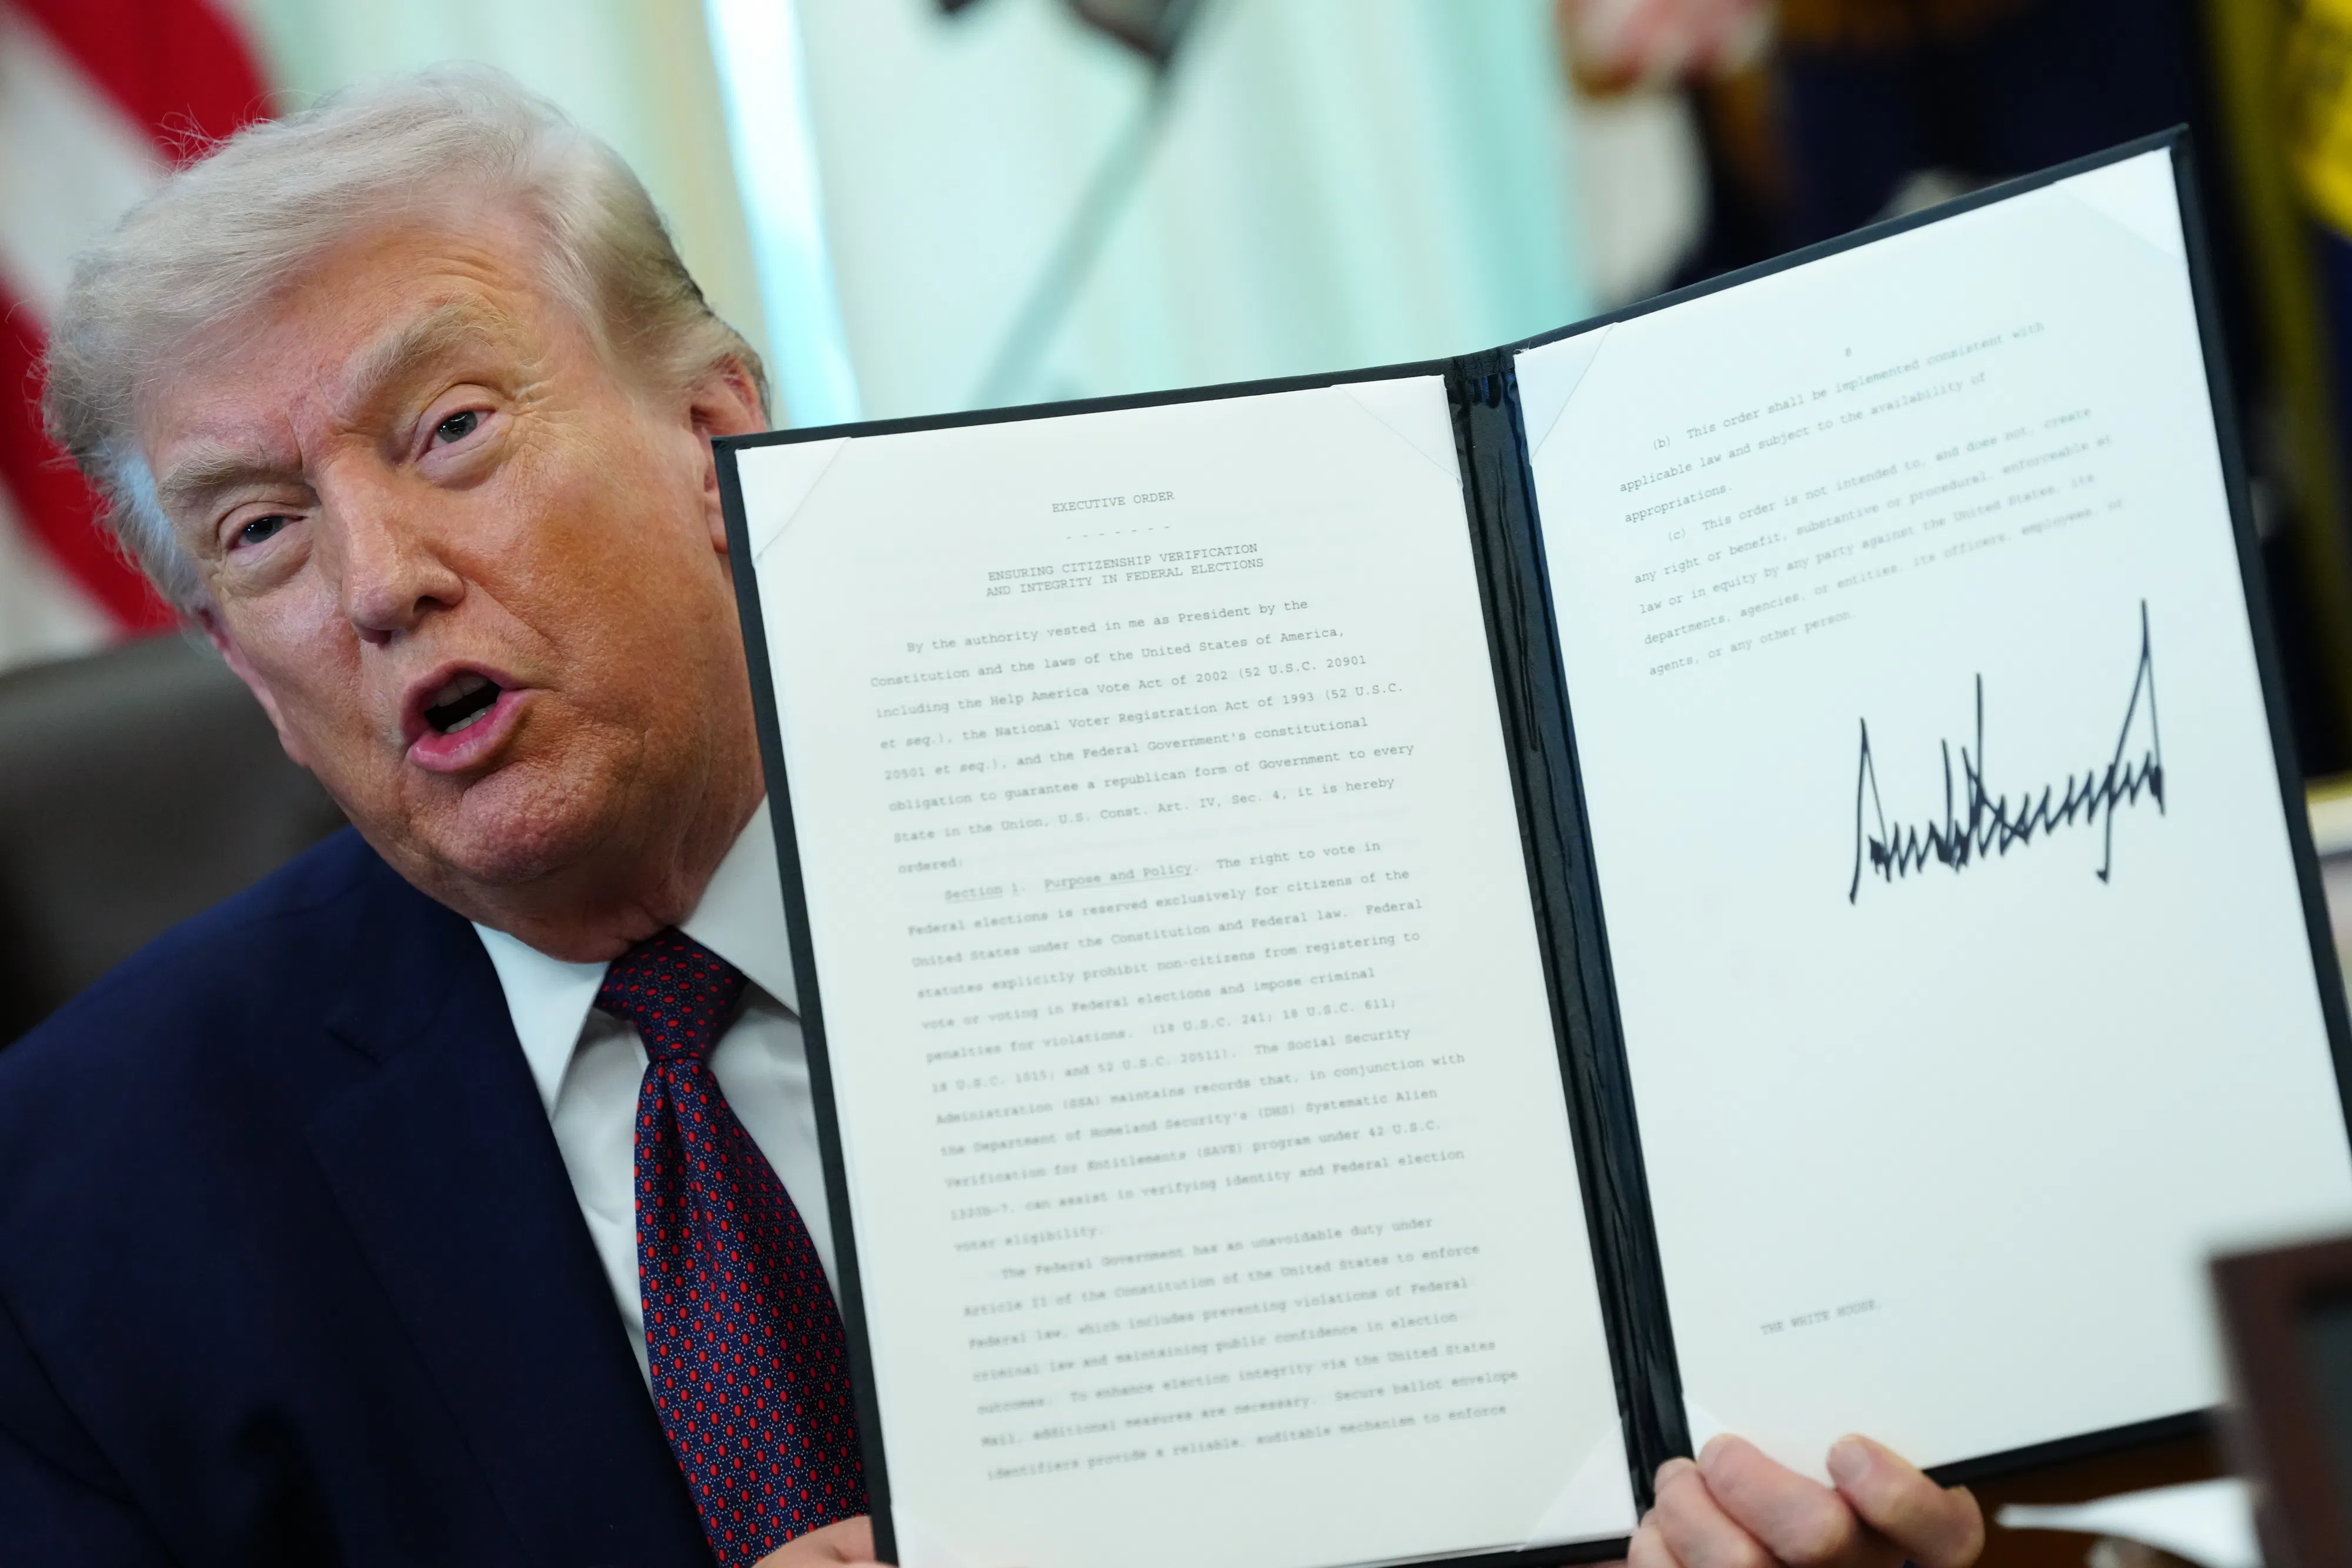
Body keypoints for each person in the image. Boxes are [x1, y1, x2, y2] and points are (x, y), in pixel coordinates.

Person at [0, 69, 1985, 1568]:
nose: (377, 582)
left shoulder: (1289, 862)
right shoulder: (77, 1215)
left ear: (715, 436)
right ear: (240, 668)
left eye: (450, 431)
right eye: (261, 533)